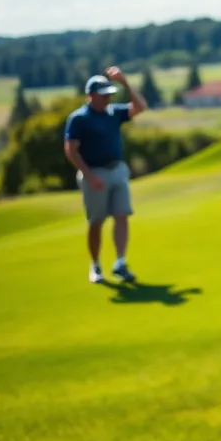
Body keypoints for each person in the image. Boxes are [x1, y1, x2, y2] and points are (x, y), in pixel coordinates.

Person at [63, 68, 148, 284]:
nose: (108, 97)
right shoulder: (79, 119)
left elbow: (140, 107)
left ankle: (120, 262)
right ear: (91, 95)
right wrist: (89, 175)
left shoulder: (114, 113)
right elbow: (71, 150)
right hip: (94, 174)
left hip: (117, 170)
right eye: (104, 95)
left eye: (110, 94)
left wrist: (125, 82)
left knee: (122, 215)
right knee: (97, 222)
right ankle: (96, 264)